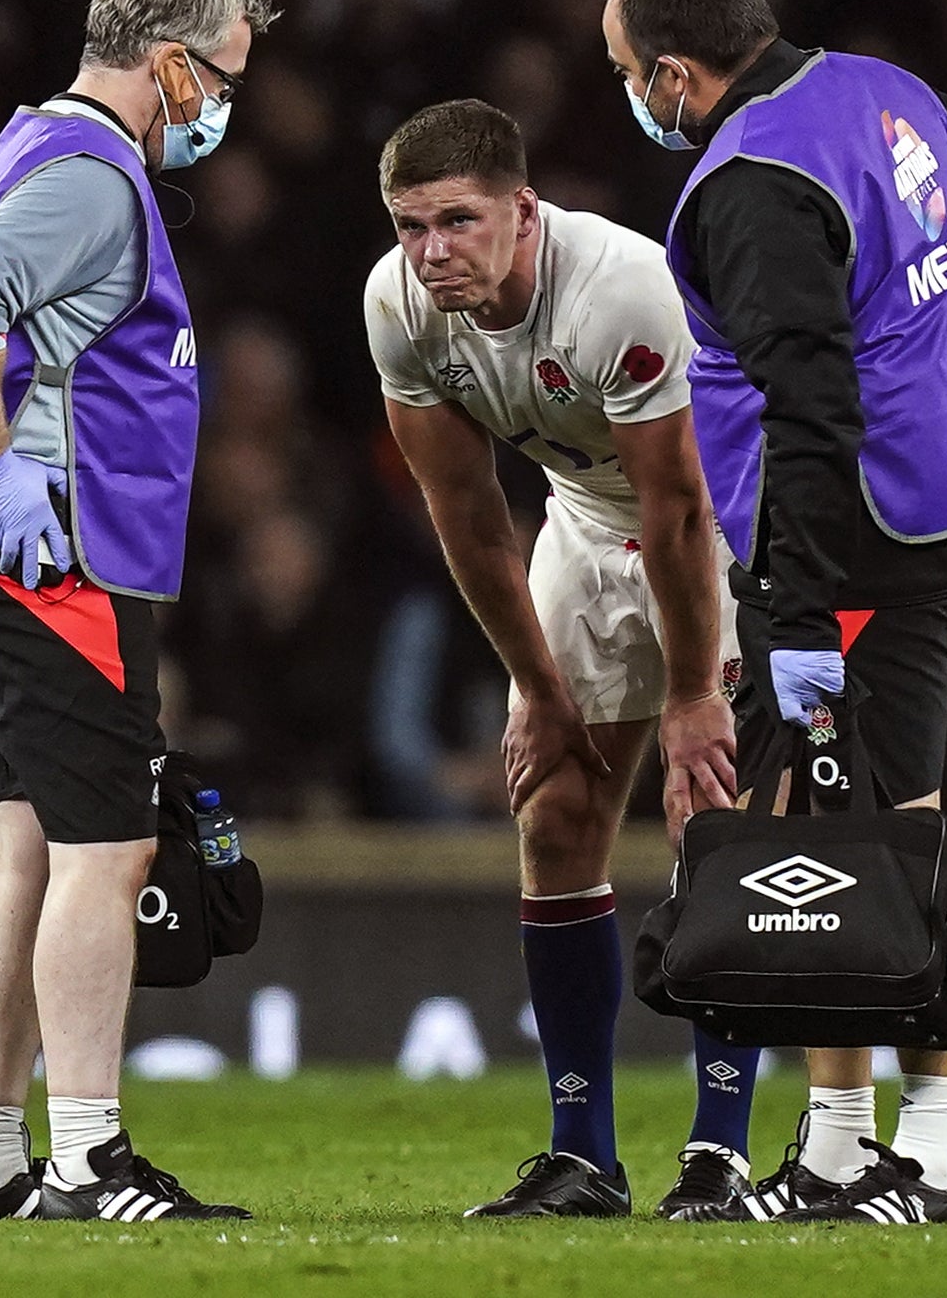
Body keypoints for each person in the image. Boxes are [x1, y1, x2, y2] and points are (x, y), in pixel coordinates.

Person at [602, 0, 947, 1224]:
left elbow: (808, 400)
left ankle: (921, 1152)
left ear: (680, 73)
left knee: (871, 827)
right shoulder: (880, 89)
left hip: (843, 544)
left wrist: (794, 607)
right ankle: (850, 1146)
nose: (629, 94)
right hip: (938, 501)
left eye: (627, 70)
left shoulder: (748, 179)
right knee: (844, 817)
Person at [0, 0, 273, 1222]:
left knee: (28, 855)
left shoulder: (21, 149)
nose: (221, 109)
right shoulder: (96, 177)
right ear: (168, 63)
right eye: (219, 80)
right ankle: (87, 1159)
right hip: (59, 560)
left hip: (1, 561)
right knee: (110, 853)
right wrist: (0, 474)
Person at [364, 99, 751, 1219]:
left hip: (725, 517)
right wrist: (537, 687)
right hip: (582, 519)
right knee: (556, 811)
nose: (433, 252)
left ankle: (718, 1157)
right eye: (409, 226)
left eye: (458, 220)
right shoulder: (397, 309)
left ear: (523, 212)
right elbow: (470, 516)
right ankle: (582, 1153)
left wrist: (688, 698)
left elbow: (679, 508)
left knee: (717, 819)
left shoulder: (619, 289)